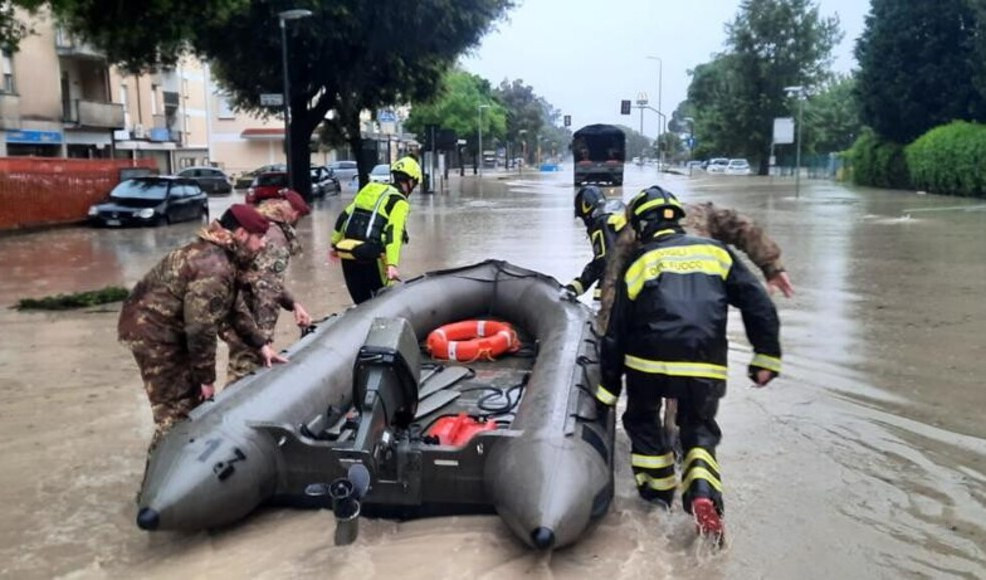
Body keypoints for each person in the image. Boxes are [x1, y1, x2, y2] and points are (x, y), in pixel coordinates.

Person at [598, 186, 782, 544]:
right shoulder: (718, 251)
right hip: (703, 363)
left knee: (640, 419)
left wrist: (607, 387)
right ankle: (700, 488)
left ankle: (657, 500)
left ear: (641, 223)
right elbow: (759, 304)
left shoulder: (637, 256)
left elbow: (615, 324)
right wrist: (766, 357)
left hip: (648, 363)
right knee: (698, 429)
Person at [118, 204, 285, 449]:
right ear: (240, 234)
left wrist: (260, 345)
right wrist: (206, 380)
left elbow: (234, 308)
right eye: (259, 238)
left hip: (166, 326)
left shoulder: (223, 256)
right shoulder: (214, 266)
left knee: (191, 403)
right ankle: (163, 476)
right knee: (178, 413)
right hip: (154, 334)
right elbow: (200, 328)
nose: (262, 245)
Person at [567, 186, 795, 321]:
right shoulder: (699, 213)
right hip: (705, 311)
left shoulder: (629, 231)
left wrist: (607, 338)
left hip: (661, 310)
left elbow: (610, 274)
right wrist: (772, 266)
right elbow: (741, 225)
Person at [223, 190, 312, 384]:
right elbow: (267, 289)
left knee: (240, 365)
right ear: (295, 214)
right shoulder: (277, 237)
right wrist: (264, 338)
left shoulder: (261, 222)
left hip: (236, 310)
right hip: (247, 317)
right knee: (245, 372)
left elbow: (262, 278)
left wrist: (293, 303)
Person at [331, 156, 421, 303]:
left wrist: (334, 244)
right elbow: (394, 232)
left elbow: (343, 217)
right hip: (371, 256)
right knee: (382, 302)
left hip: (348, 253)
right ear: (410, 181)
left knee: (361, 304)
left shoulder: (370, 190)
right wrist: (392, 264)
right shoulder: (399, 201)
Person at [562, 185, 628, 302]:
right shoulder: (616, 216)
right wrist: (578, 286)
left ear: (585, 207)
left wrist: (575, 288)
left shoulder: (601, 223)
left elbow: (604, 262)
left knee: (601, 292)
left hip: (620, 285)